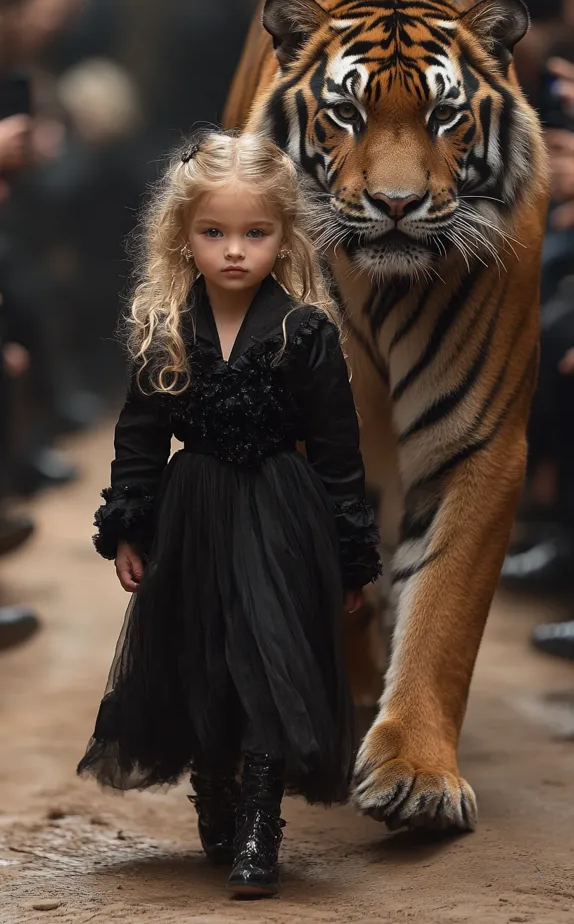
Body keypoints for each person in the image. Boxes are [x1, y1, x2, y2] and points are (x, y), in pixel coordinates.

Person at [76, 129, 381, 898]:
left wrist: (350, 554)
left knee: (269, 662)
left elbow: (340, 452)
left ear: (285, 237)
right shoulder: (166, 325)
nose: (235, 250)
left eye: (255, 232)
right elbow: (139, 438)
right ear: (183, 235)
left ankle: (257, 826)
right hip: (195, 515)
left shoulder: (305, 330)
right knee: (203, 659)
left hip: (283, 515)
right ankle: (215, 790)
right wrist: (130, 527)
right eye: (214, 232)